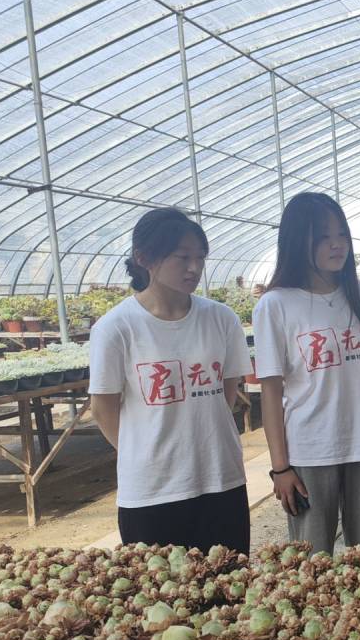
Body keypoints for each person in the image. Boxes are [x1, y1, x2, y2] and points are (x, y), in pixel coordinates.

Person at [89, 208, 252, 554]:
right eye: (182, 257)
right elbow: (103, 409)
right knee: (161, 585)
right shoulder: (116, 327)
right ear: (143, 258)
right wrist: (144, 452)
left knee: (229, 582)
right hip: (152, 491)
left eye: (200, 257)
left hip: (220, 478)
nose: (194, 268)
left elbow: (227, 389)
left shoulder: (221, 319)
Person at [252, 192, 360, 554]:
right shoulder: (276, 304)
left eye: (342, 235)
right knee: (311, 559)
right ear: (297, 241)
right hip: (310, 452)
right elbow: (271, 391)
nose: (337, 245)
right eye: (323, 237)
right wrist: (280, 468)